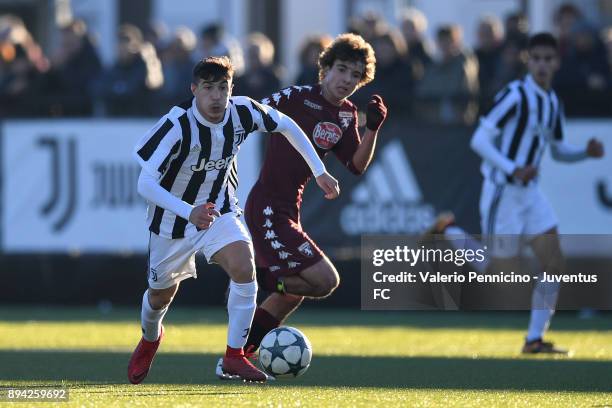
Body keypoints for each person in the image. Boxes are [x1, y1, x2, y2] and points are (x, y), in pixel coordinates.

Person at [128, 56, 340, 383]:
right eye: (208, 88)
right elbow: (145, 183)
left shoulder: (242, 111)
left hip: (219, 212)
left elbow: (286, 124)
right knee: (159, 297)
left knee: (244, 267)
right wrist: (189, 212)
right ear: (194, 90)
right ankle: (151, 337)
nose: (216, 96)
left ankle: (234, 356)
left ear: (232, 88)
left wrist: (319, 170)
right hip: (172, 221)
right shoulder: (177, 124)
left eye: (223, 88)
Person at [240, 33, 387, 355]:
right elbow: (250, 113)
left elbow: (356, 166)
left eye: (356, 75)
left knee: (293, 292)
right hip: (266, 206)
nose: (347, 80)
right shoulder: (296, 97)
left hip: (288, 210)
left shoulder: (347, 114)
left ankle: (240, 356)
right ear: (326, 68)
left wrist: (372, 129)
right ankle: (256, 278)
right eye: (343, 69)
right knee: (325, 281)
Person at [470, 33, 604, 353]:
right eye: (538, 58)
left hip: (529, 194)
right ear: (528, 61)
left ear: (557, 62)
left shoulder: (552, 102)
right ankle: (448, 232)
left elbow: (558, 151)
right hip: (503, 191)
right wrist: (513, 168)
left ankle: (534, 339)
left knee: (554, 262)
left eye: (549, 58)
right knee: (497, 271)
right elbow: (479, 140)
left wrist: (585, 152)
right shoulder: (516, 95)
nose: (543, 64)